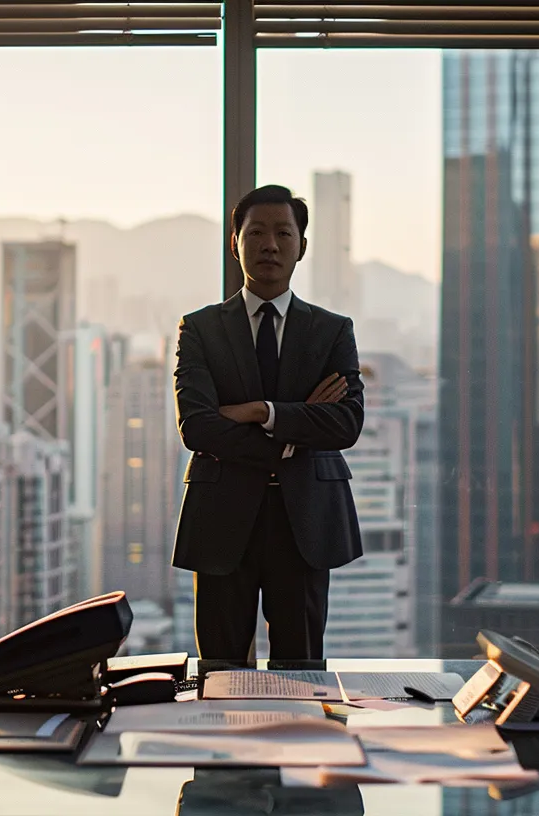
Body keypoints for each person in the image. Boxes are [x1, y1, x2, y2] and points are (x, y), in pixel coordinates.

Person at [171, 184, 364, 661]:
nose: (270, 245)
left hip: (305, 521)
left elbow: (346, 423)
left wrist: (263, 412)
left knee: (300, 672)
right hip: (222, 519)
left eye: (283, 232)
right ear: (234, 242)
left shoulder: (331, 330)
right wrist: (295, 433)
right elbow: (196, 426)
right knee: (220, 672)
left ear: (302, 245)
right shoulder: (201, 329)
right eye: (255, 232)